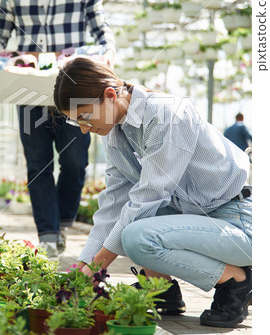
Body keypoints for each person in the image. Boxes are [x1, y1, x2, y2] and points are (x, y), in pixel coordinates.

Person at [53, 57, 252, 328]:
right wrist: (82, 268)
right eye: (78, 123)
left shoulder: (166, 114)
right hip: (203, 216)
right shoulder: (116, 133)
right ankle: (163, 291)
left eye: (85, 117)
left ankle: (237, 280)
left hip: (239, 219)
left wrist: (96, 267)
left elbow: (149, 196)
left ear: (110, 95)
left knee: (136, 234)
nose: (85, 129)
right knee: (127, 223)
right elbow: (113, 204)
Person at [0, 0, 115, 258]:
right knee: (37, 162)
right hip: (27, 89)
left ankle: (64, 220)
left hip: (72, 91)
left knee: (75, 162)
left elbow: (103, 34)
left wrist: (106, 53)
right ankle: (48, 233)